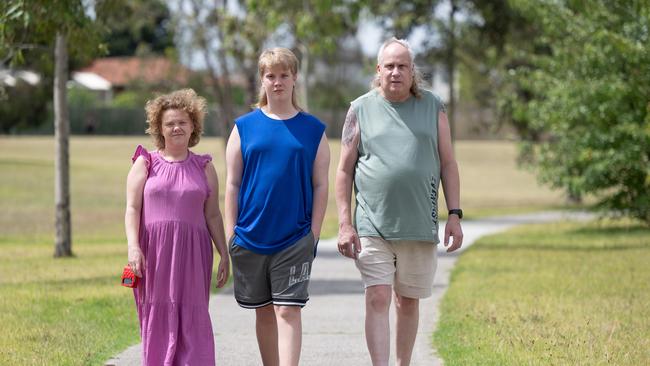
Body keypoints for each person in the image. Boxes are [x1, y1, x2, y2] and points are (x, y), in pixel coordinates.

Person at [335, 37, 464, 366]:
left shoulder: (433, 106)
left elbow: (448, 162)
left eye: (402, 66)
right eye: (389, 66)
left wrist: (454, 214)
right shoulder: (360, 109)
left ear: (412, 71)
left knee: (407, 302)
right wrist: (345, 224)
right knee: (377, 297)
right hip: (372, 224)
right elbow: (343, 170)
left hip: (418, 225)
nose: (395, 72)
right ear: (378, 71)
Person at [225, 47, 330, 366]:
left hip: (295, 237)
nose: (278, 81)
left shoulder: (314, 130)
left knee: (287, 309)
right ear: (262, 80)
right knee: (264, 312)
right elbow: (232, 184)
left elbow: (321, 184)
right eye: (271, 75)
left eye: (285, 75)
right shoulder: (244, 127)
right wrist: (232, 235)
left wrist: (313, 234)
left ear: (295, 78)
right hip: (252, 236)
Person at [125, 88, 229, 365]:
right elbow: (132, 209)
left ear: (193, 125)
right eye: (169, 123)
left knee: (193, 314)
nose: (176, 128)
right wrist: (133, 248)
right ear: (159, 128)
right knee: (157, 313)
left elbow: (213, 215)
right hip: (154, 254)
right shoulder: (145, 162)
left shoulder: (204, 167)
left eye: (182, 122)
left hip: (194, 254)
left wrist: (224, 253)